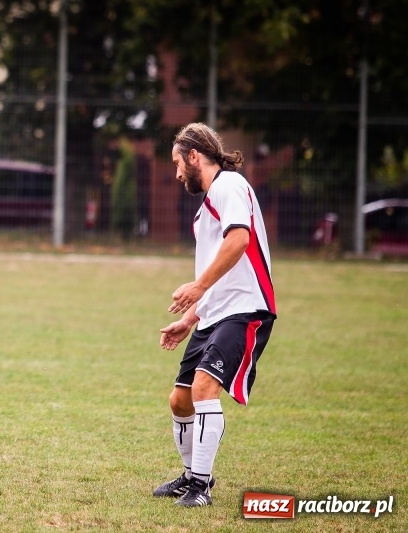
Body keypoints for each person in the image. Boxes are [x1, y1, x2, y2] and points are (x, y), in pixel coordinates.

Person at [153, 123, 276, 507]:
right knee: (180, 400)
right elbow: (219, 268)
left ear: (194, 156)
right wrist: (189, 319)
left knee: (206, 388)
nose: (176, 174)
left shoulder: (229, 186)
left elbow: (239, 240)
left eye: (177, 163)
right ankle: (191, 475)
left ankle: (201, 487)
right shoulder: (206, 209)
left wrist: (198, 288)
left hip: (244, 310)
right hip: (215, 314)